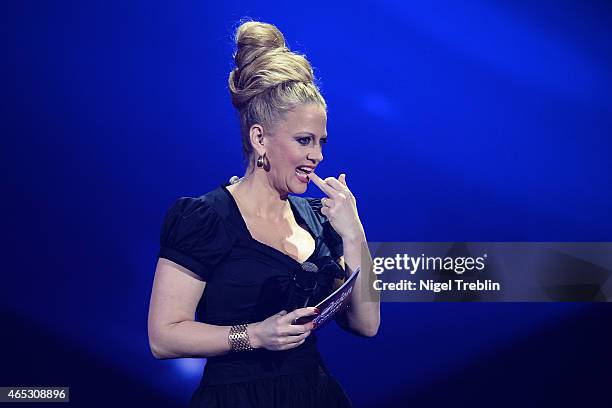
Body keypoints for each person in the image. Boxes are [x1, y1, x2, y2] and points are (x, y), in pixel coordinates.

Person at [147, 20, 380, 408]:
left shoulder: (321, 221)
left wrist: (355, 233)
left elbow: (366, 325)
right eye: (304, 140)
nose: (318, 155)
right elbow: (163, 337)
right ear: (260, 138)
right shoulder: (204, 218)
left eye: (321, 142)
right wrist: (255, 334)